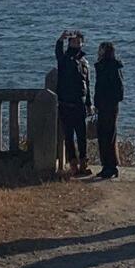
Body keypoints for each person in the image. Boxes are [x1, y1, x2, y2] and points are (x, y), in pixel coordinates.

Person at [54, 30, 91, 176]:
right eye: (73, 41)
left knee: (82, 136)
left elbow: (87, 83)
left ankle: (83, 164)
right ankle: (73, 165)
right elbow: (58, 53)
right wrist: (60, 40)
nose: (76, 43)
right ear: (69, 43)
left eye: (79, 41)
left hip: (80, 103)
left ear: (82, 43)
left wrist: (89, 103)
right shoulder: (64, 58)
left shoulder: (84, 61)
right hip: (66, 103)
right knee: (69, 136)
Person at [93, 40, 125, 179]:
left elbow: (118, 90)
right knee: (107, 135)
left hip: (108, 105)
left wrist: (105, 101)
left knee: (107, 135)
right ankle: (108, 165)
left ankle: (109, 166)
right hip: (107, 105)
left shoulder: (109, 67)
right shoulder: (110, 66)